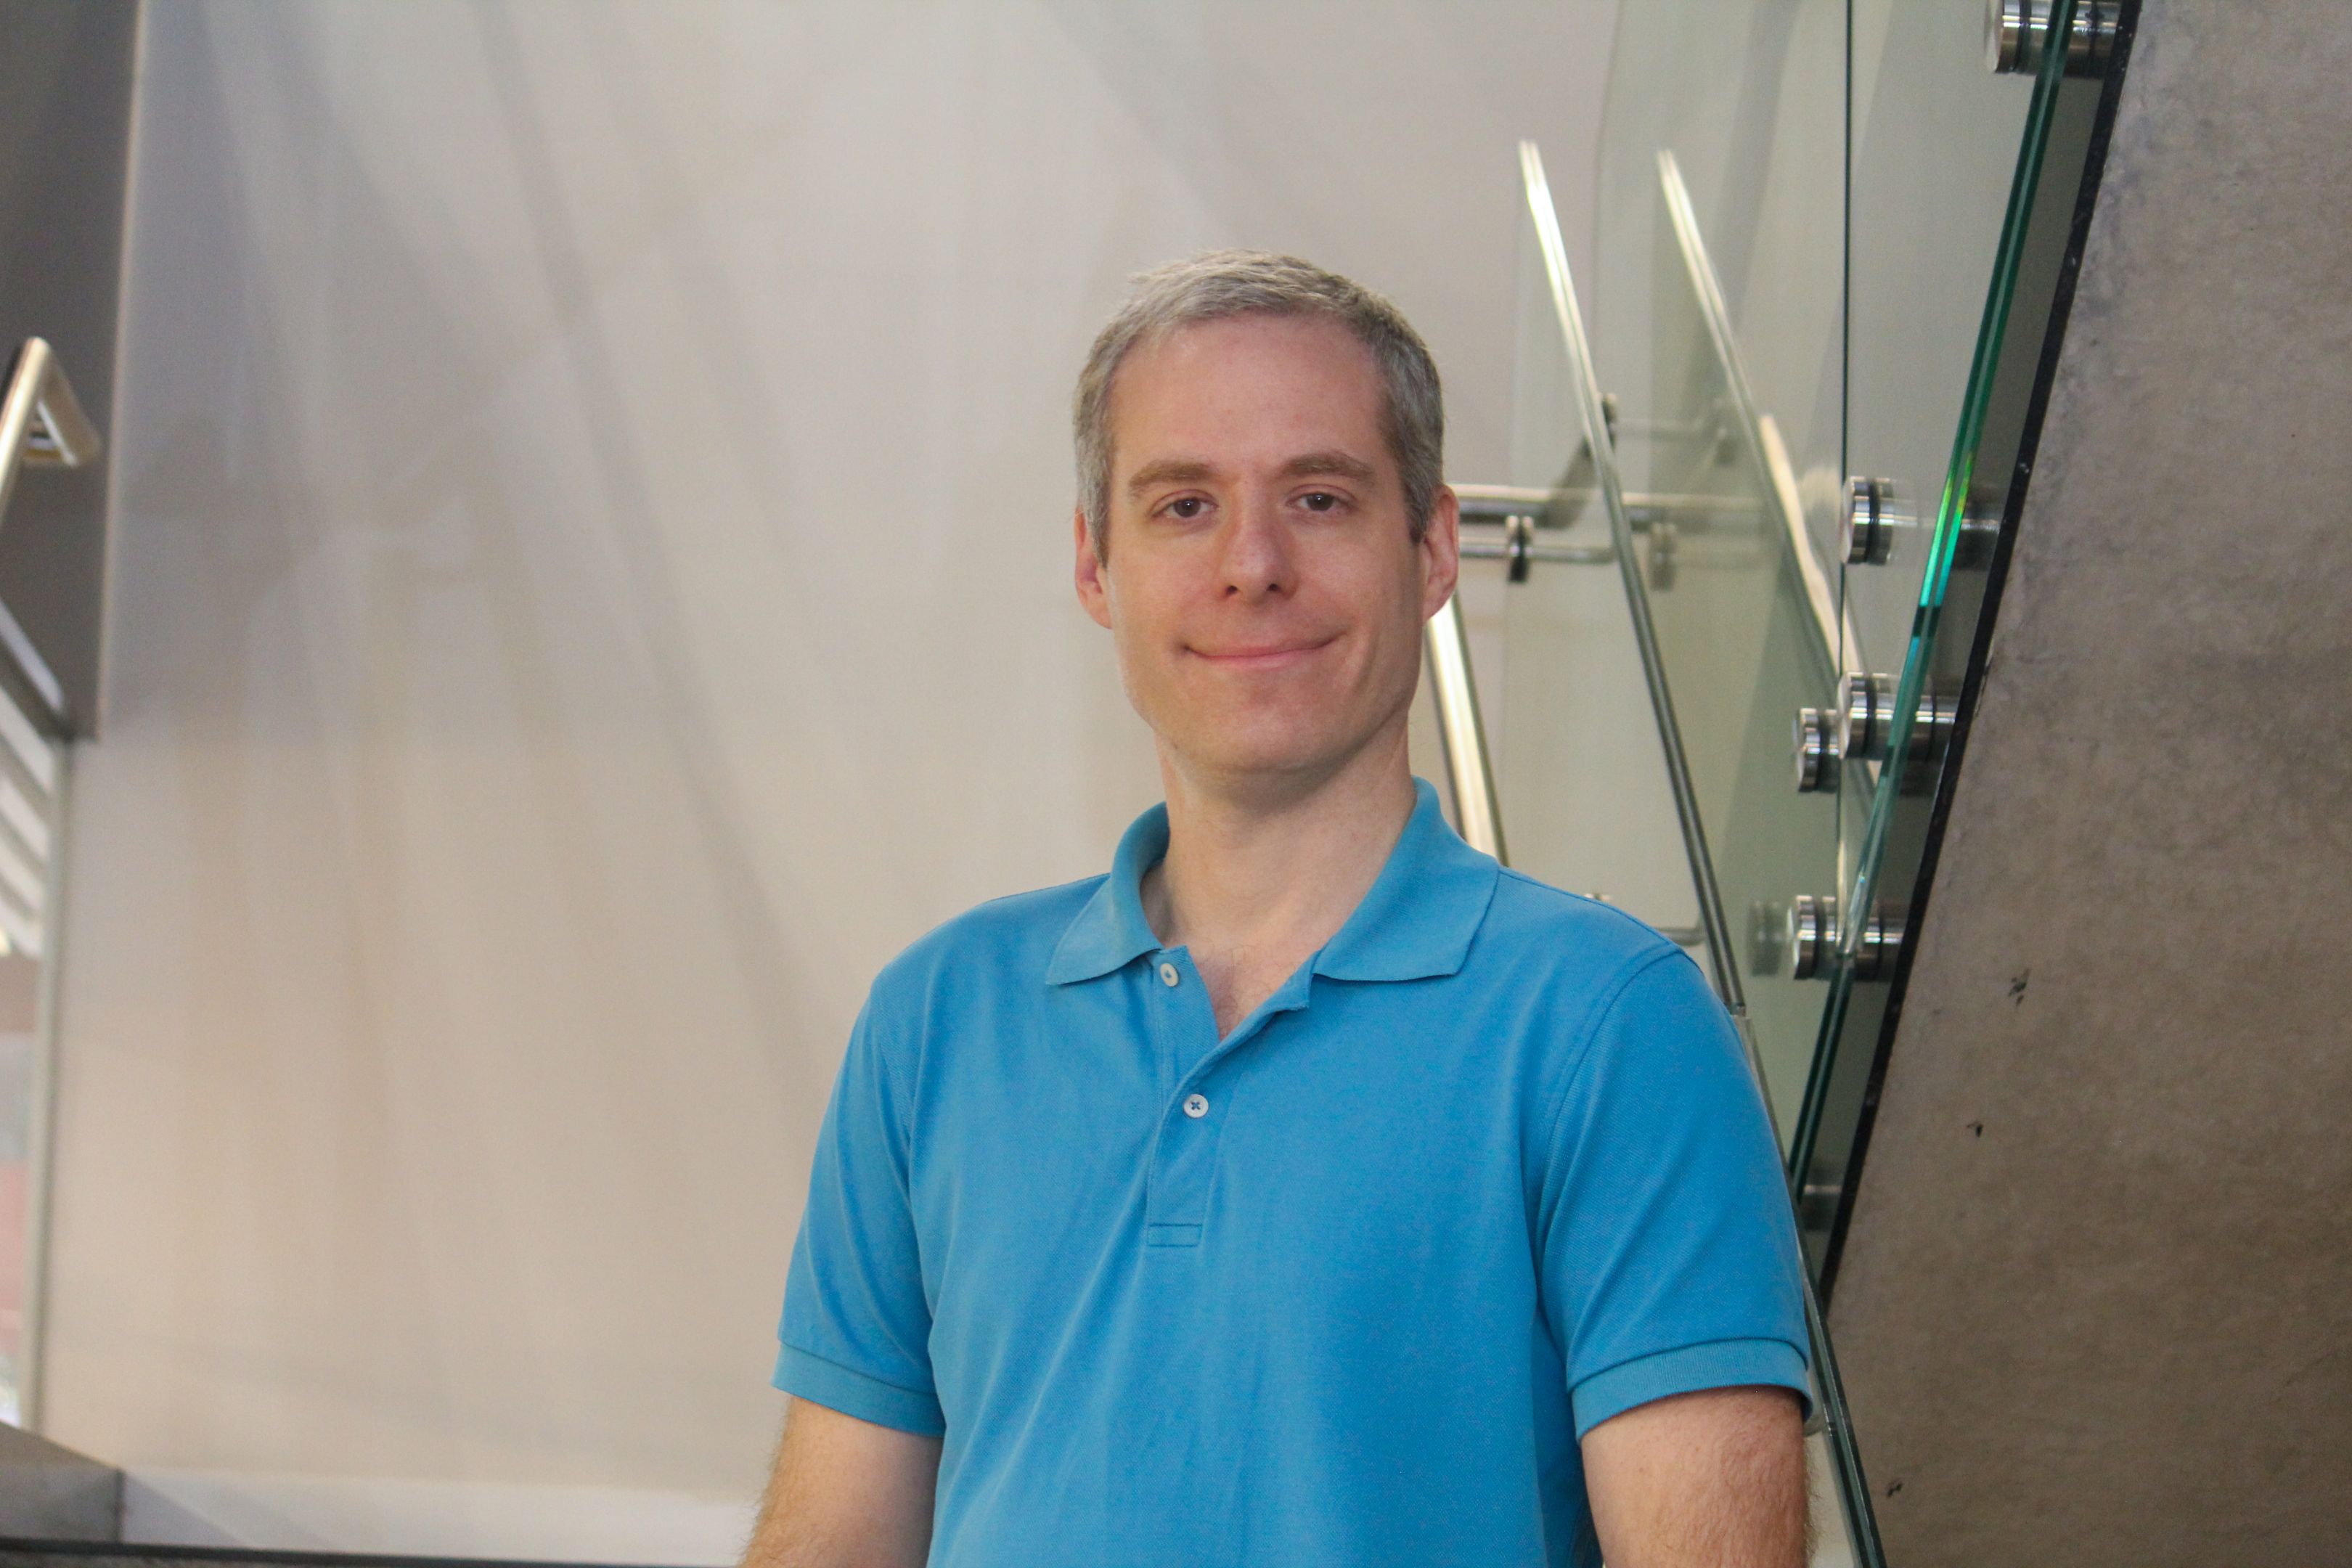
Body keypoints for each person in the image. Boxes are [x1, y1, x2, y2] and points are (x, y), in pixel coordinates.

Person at [743, 253, 1813, 1567]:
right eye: (1184, 505)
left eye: (1318, 497)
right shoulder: (937, 1018)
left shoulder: (1611, 1025)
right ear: (1097, 567)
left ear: (1429, 547)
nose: (1252, 564)